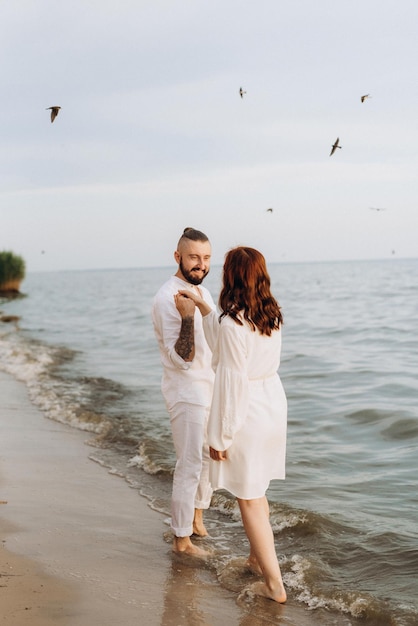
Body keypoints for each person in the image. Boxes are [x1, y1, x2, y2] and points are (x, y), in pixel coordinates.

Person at [179, 246, 287, 602]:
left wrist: (220, 435)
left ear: (232, 275)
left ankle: (274, 585)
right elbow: (223, 338)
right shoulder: (270, 314)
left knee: (248, 498)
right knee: (258, 490)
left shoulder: (233, 321)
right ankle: (258, 560)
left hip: (247, 412)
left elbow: (230, 380)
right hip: (272, 405)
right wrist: (204, 307)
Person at [152, 227, 215, 556]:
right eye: (193, 257)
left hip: (208, 387)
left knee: (207, 458)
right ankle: (181, 540)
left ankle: (196, 517)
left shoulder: (203, 291)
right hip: (185, 391)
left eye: (206, 258)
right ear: (178, 257)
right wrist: (188, 318)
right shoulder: (168, 297)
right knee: (189, 462)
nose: (200, 264)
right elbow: (182, 359)